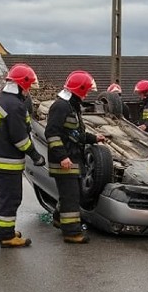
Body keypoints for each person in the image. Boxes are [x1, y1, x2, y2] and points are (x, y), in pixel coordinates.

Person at [0, 63, 46, 248]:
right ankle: (6, 236)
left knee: (6, 198)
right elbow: (20, 140)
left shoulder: (2, 98)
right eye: (27, 87)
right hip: (7, 161)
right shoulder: (14, 106)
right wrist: (36, 156)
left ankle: (7, 231)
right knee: (11, 199)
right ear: (21, 85)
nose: (28, 91)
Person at [45, 70, 106, 243]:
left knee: (72, 194)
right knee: (71, 197)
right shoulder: (61, 106)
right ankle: (72, 232)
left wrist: (94, 138)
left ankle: (59, 219)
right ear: (79, 89)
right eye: (85, 90)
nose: (87, 94)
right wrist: (62, 157)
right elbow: (52, 134)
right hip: (64, 161)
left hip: (73, 159)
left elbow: (75, 134)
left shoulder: (72, 105)